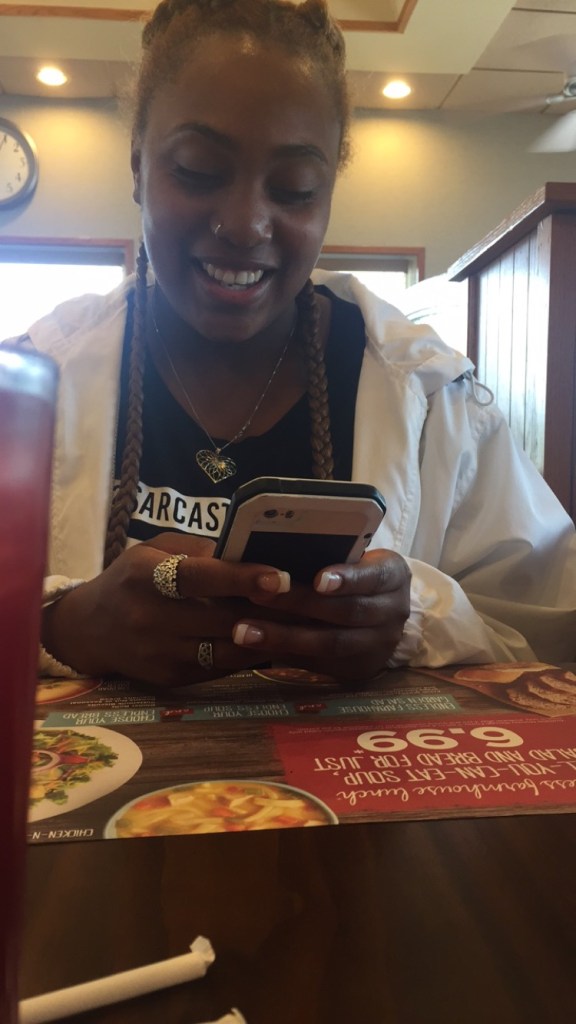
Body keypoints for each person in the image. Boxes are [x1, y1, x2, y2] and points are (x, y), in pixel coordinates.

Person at [7, 0, 576, 689]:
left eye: (294, 188)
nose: (246, 223)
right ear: (137, 166)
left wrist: (414, 619)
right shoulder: (33, 380)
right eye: (198, 170)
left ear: (329, 191)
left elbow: (550, 637)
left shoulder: (433, 399)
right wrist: (59, 625)